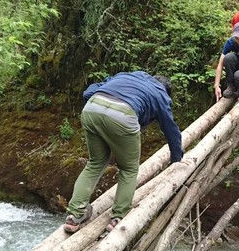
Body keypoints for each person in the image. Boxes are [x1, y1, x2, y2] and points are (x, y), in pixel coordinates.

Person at [64, 71, 183, 234]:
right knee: (129, 169)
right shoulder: (161, 94)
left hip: (91, 107)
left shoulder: (129, 75)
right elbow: (170, 129)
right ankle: (118, 216)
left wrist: (98, 108)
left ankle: (75, 214)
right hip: (123, 114)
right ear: (166, 90)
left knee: (95, 162)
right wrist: (177, 159)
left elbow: (90, 90)